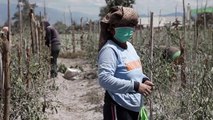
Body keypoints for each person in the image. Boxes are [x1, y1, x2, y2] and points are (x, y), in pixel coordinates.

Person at [98, 6, 154, 120]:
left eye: (131, 27)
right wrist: (136, 86)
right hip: (118, 106)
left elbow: (133, 70)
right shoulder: (109, 50)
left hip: (134, 106)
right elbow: (104, 79)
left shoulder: (129, 46)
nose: (129, 31)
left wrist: (144, 79)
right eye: (125, 28)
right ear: (111, 28)